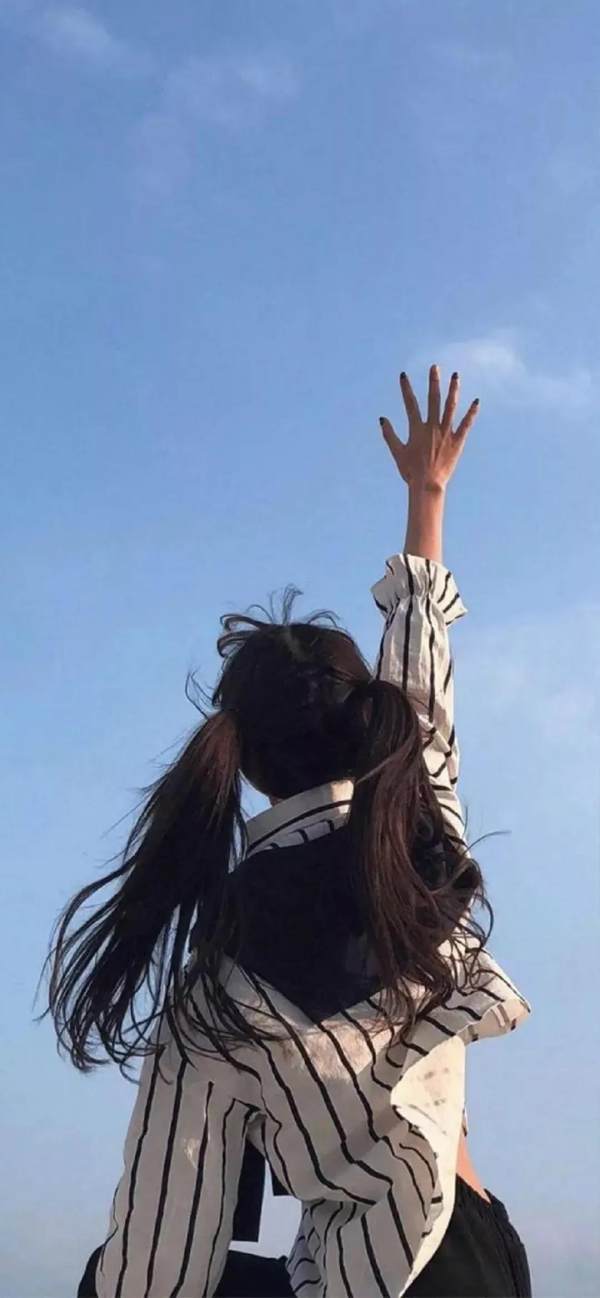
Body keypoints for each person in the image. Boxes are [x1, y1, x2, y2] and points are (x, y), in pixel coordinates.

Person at [37, 365, 533, 1297]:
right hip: (479, 1258)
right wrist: (427, 497)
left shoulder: (216, 989)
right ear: (367, 724)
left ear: (242, 762)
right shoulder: (423, 839)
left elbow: (160, 1262)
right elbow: (422, 669)